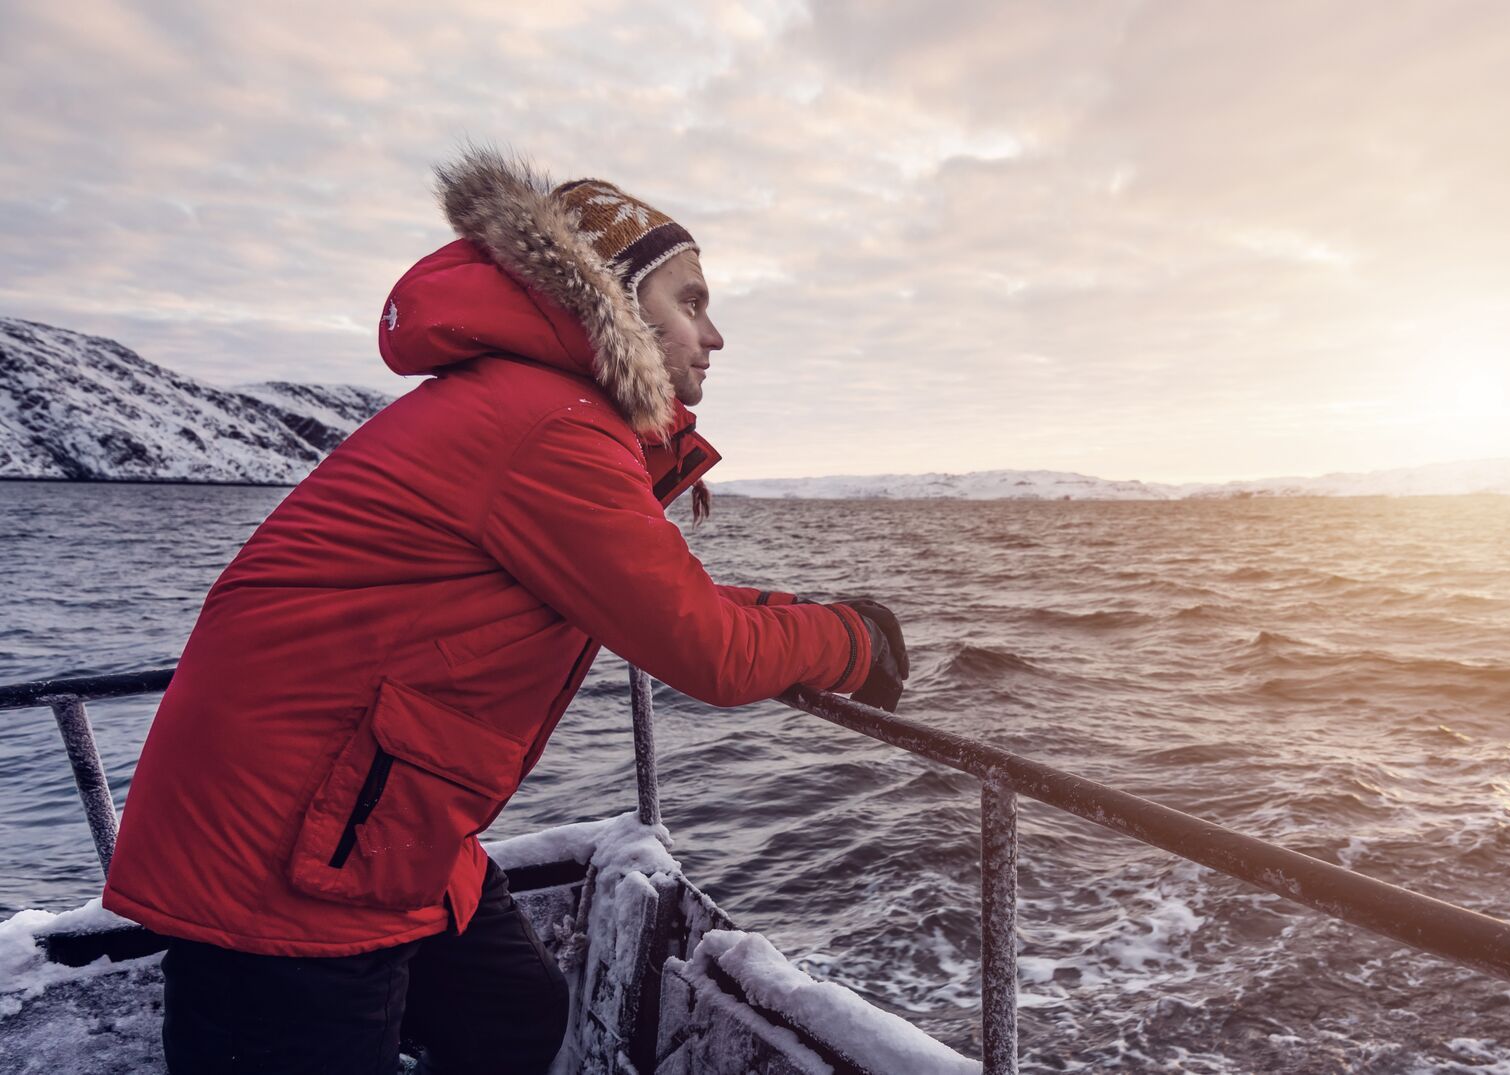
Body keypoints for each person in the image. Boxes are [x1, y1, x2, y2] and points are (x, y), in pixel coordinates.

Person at [102, 147, 909, 1074]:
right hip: (289, 853)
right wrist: (849, 642)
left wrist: (813, 616)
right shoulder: (549, 427)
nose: (714, 335)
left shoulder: (536, 408)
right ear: (610, 302)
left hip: (374, 817)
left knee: (513, 1018)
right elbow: (707, 647)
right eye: (690, 302)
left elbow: (651, 595)